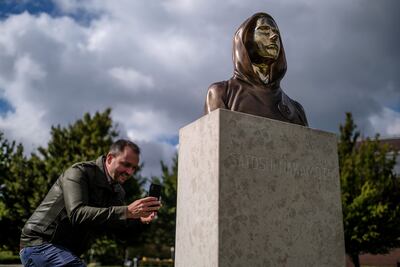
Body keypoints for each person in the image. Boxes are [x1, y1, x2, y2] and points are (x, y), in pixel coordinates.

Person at [19, 139, 161, 266]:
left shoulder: (117, 191)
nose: (129, 172)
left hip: (67, 253)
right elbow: (77, 213)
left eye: (134, 168)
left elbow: (120, 233)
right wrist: (126, 211)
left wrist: (141, 220)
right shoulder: (79, 172)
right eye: (126, 164)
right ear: (110, 158)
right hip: (38, 244)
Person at [204, 12, 308, 126]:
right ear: (246, 40)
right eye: (264, 30)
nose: (274, 36)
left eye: (276, 32)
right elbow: (215, 138)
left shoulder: (296, 109)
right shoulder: (222, 93)